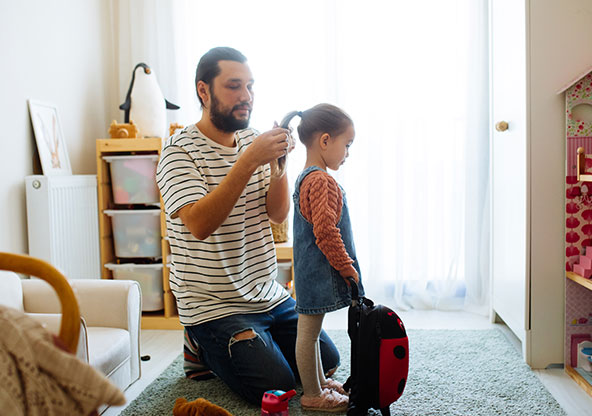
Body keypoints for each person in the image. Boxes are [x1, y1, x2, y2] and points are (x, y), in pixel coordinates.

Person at [155, 47, 341, 405]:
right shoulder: (178, 152)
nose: (246, 96)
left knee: (328, 362)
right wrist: (249, 159)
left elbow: (277, 214)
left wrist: (278, 166)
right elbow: (200, 224)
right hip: (214, 304)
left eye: (250, 86)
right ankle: (198, 345)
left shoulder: (251, 139)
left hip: (265, 294)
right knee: (278, 386)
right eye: (234, 86)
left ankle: (244, 343)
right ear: (203, 91)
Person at [281, 104, 364, 412]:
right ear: (326, 141)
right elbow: (326, 233)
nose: (347, 153)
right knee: (308, 334)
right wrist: (347, 268)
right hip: (319, 272)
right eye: (347, 145)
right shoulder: (321, 181)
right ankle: (313, 395)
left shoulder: (306, 177)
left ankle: (318, 384)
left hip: (306, 272)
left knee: (311, 334)